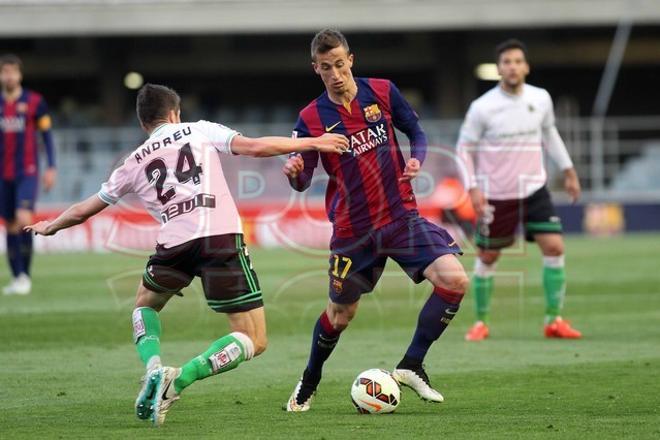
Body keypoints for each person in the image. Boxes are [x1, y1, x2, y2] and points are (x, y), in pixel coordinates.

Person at [25, 83, 349, 426]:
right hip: (218, 238)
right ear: (174, 114)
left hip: (174, 243)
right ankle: (176, 380)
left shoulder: (133, 161)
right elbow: (254, 147)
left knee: (144, 306)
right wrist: (313, 142)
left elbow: (86, 208)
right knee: (255, 339)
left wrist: (52, 226)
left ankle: (152, 366)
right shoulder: (199, 130)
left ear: (143, 123)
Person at [282, 29, 470, 412]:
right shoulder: (311, 117)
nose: (335, 73)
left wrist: (416, 156)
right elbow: (303, 180)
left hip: (401, 216)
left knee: (454, 280)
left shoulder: (383, 91)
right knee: (341, 314)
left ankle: (412, 364)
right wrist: (295, 171)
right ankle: (310, 378)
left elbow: (415, 130)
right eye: (326, 67)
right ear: (315, 68)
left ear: (350, 59)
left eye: (339, 64)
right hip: (353, 231)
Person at [457, 39, 582, 341]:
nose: (512, 66)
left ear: (525, 66)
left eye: (517, 61)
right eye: (506, 62)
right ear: (499, 68)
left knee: (554, 247)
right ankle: (481, 323)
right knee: (488, 257)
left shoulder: (540, 99)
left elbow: (550, 133)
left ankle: (554, 320)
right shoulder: (483, 107)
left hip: (534, 189)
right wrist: (472, 188)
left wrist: (568, 170)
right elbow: (464, 149)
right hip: (497, 195)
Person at [0, 54, 56, 295]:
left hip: (27, 171)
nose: (9, 76)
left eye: (12, 71)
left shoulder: (35, 102)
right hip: (3, 174)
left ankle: (25, 277)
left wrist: (51, 167)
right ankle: (17, 277)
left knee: (24, 219)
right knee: (10, 225)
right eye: (5, 71)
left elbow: (47, 136)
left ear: (19, 75)